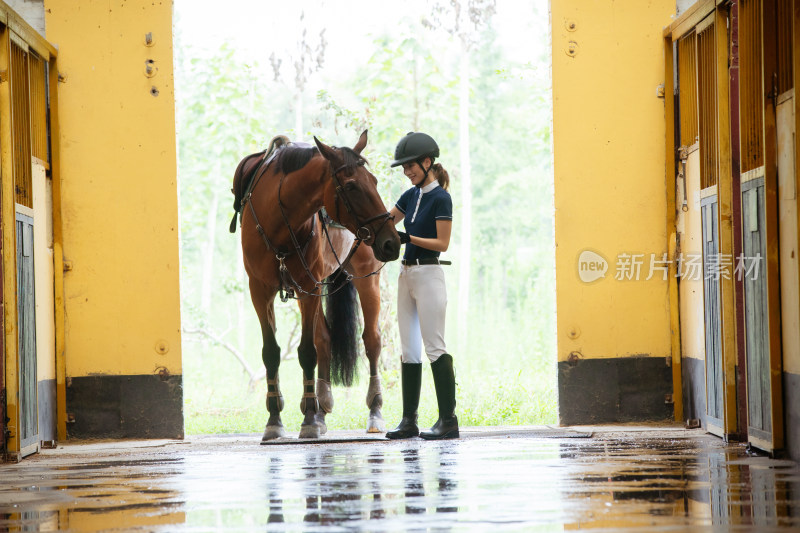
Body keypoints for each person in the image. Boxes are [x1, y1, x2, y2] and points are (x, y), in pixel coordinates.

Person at [385, 131, 458, 440]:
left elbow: (442, 243)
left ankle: (447, 420)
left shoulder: (441, 198)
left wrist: (408, 238)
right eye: (404, 168)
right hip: (406, 275)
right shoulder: (410, 196)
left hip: (429, 274)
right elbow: (387, 221)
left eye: (411, 166)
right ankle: (408, 420)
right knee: (408, 349)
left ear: (428, 162)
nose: (407, 171)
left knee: (434, 346)